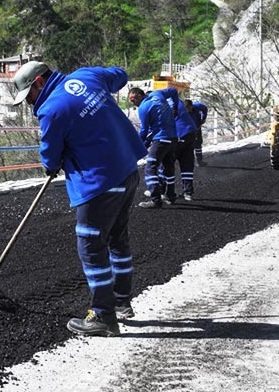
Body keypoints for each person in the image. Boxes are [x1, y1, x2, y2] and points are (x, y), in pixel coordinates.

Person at [12, 61, 147, 337]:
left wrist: (52, 165)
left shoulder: (52, 109)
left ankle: (103, 316)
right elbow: (120, 76)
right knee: (117, 238)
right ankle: (121, 302)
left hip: (99, 183)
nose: (29, 103)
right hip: (127, 172)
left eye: (29, 96)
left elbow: (50, 157)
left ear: (39, 82)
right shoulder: (87, 76)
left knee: (90, 245)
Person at [127, 87, 176, 208]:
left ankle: (155, 200)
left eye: (133, 100)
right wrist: (175, 107)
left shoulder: (143, 108)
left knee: (150, 168)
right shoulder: (158, 94)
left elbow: (144, 130)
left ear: (139, 96)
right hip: (173, 137)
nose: (133, 103)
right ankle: (170, 196)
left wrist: (137, 145)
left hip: (161, 139)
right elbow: (174, 91)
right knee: (169, 167)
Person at [158, 87, 198, 201]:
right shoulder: (176, 101)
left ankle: (161, 190)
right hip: (190, 132)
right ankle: (188, 193)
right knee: (187, 162)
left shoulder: (162, 104)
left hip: (180, 133)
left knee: (167, 160)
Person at [185, 99, 209, 166]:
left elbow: (205, 108)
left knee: (198, 143)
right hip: (188, 130)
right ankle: (189, 162)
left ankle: (199, 161)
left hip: (197, 127)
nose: (188, 110)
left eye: (189, 108)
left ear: (191, 105)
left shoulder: (198, 106)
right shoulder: (183, 112)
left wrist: (204, 118)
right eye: (187, 109)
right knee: (188, 145)